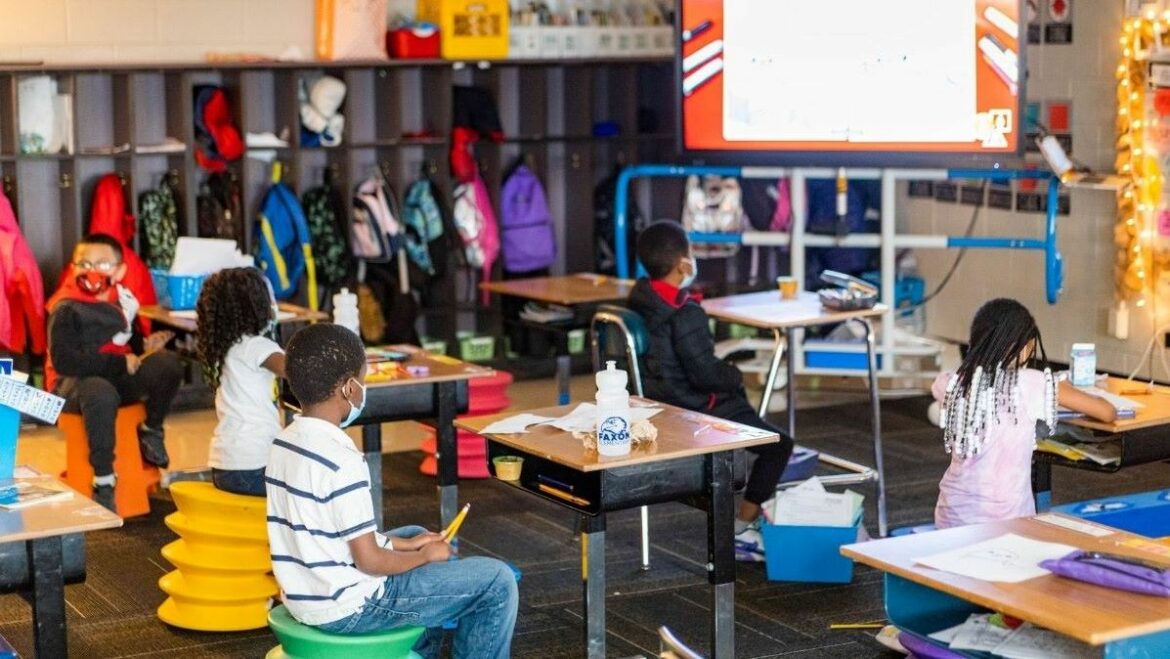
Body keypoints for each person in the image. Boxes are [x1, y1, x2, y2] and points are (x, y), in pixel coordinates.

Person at [266, 324, 517, 658]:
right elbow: (369, 560)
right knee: (497, 581)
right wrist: (423, 556)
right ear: (349, 389)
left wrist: (409, 545)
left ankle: (417, 650)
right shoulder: (342, 461)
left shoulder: (284, 442)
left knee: (414, 534)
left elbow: (327, 532)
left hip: (304, 592)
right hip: (350, 609)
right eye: (363, 381)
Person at [627, 220, 795, 562]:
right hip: (693, 408)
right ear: (683, 264)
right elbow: (705, 374)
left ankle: (735, 487)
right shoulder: (683, 314)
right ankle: (743, 525)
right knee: (780, 446)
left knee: (741, 403)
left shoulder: (638, 300)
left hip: (656, 404)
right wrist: (734, 375)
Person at [933, 298, 1116, 529]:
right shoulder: (1033, 384)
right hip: (1007, 522)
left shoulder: (949, 382)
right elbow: (1106, 412)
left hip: (951, 515)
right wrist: (1063, 386)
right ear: (1027, 346)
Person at [46, 233, 182, 511]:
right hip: (72, 387)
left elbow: (128, 349)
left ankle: (151, 431)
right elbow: (65, 361)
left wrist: (144, 346)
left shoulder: (121, 301)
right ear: (73, 268)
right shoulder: (65, 307)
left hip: (113, 380)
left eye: (103, 264)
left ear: (120, 270)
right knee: (100, 390)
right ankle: (104, 479)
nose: (93, 270)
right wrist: (120, 363)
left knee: (167, 365)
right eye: (84, 263)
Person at [196, 268, 286, 497]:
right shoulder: (256, 346)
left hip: (225, 465)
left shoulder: (226, 348)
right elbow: (297, 371)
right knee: (312, 488)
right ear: (257, 306)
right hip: (256, 462)